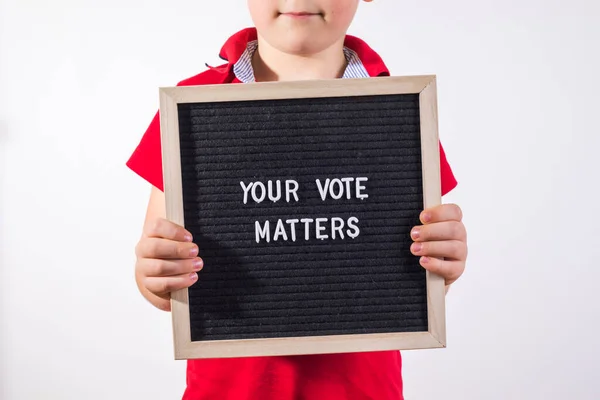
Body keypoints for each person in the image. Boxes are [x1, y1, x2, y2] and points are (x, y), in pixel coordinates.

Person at [126, 1, 468, 399]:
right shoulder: (191, 108)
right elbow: (162, 279)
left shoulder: (402, 111)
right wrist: (155, 277)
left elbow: (410, 280)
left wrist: (442, 262)